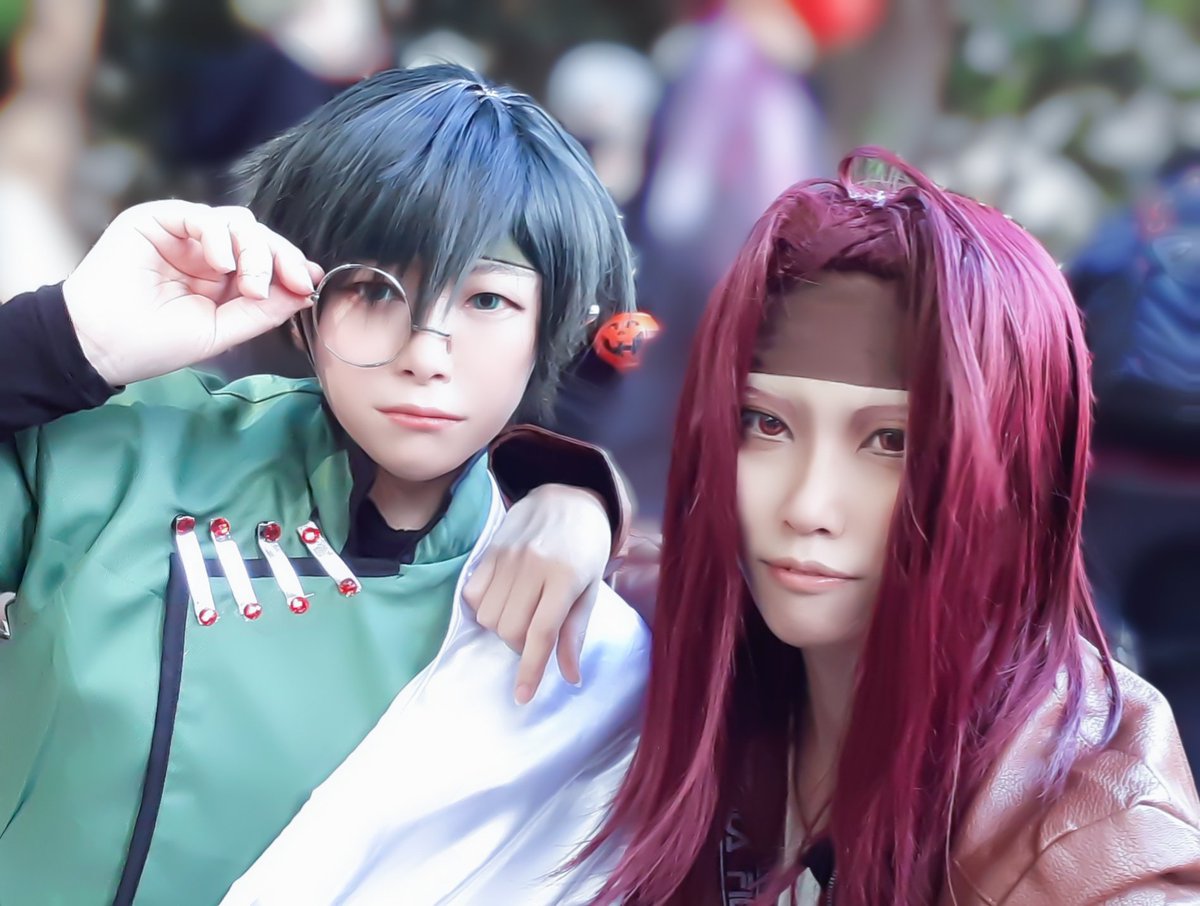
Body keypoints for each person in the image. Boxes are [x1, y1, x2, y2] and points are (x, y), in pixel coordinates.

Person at [0, 64, 648, 905]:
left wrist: (580, 496)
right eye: (376, 289)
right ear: (305, 296)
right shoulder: (126, 451)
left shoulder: (570, 627)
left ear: (554, 325)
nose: (426, 351)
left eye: (487, 300)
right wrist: (61, 338)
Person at [573, 147, 1200, 904]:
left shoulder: (1086, 839)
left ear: (1015, 474)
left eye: (891, 441)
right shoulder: (692, 652)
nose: (808, 507)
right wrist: (567, 499)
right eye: (765, 424)